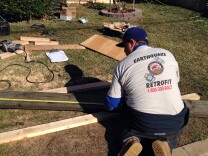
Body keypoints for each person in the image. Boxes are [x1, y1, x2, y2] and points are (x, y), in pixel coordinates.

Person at [104, 27, 189, 156]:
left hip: (145, 121)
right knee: (169, 132)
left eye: (125, 46)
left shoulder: (123, 65)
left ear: (132, 42)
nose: (125, 51)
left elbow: (112, 104)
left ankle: (130, 140)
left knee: (125, 115)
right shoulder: (167, 53)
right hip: (175, 121)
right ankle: (165, 144)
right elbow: (174, 82)